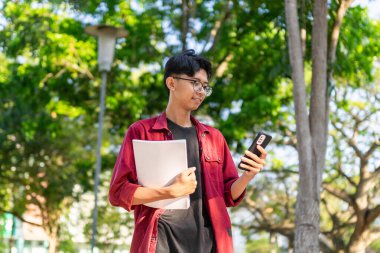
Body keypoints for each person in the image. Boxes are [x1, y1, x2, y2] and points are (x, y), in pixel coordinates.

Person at [108, 49, 267, 253]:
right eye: (195, 83)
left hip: (209, 244)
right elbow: (118, 192)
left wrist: (248, 175)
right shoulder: (141, 131)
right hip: (160, 243)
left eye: (205, 86)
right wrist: (169, 192)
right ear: (171, 83)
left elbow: (227, 196)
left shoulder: (214, 138)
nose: (201, 91)